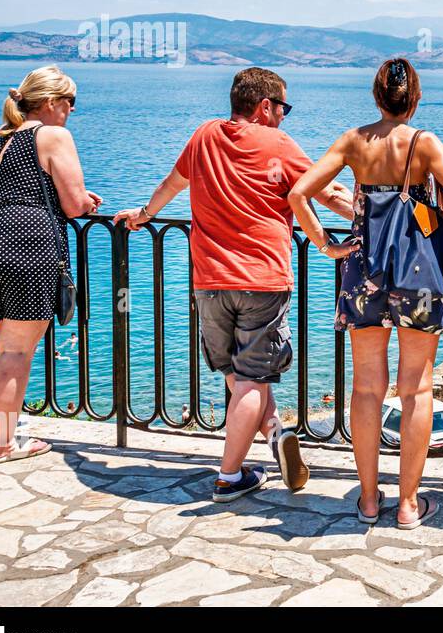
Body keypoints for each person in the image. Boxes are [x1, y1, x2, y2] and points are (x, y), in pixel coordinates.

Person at [114, 68, 353, 502]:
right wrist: (388, 222)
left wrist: (144, 215)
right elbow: (327, 194)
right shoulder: (278, 144)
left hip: (209, 281)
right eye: (283, 108)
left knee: (235, 374)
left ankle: (274, 430)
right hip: (261, 277)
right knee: (250, 380)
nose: (284, 117)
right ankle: (229, 476)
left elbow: (173, 183)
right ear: (265, 106)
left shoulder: (203, 135)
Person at [289, 58, 443, 529]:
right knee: (415, 387)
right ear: (414, 99)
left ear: (377, 97)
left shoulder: (354, 141)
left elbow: (299, 194)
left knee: (367, 386)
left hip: (363, 268)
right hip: (420, 274)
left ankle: (370, 501)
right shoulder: (425, 143)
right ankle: (409, 504)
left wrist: (326, 245)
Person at [0, 66, 101, 463]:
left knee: (7, 348)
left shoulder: (3, 136)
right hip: (25, 247)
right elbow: (74, 206)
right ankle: (1, 445)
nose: (72, 110)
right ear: (52, 102)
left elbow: (21, 185)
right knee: (18, 354)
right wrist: (88, 202)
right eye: (71, 101)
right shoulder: (54, 135)